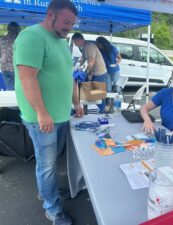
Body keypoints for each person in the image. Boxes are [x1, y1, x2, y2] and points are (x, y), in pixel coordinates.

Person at [13, 1, 83, 225]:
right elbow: (27, 78)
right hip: (42, 119)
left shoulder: (62, 41)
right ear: (50, 14)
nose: (69, 28)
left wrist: (77, 102)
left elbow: (68, 75)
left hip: (61, 116)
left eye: (72, 24)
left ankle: (47, 193)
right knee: (47, 165)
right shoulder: (32, 37)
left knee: (51, 164)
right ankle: (52, 209)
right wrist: (42, 113)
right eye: (65, 22)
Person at [0, 21, 20, 90]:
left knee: (10, 89)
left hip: (4, 67)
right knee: (18, 88)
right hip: (15, 67)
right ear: (17, 29)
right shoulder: (19, 40)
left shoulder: (1, 39)